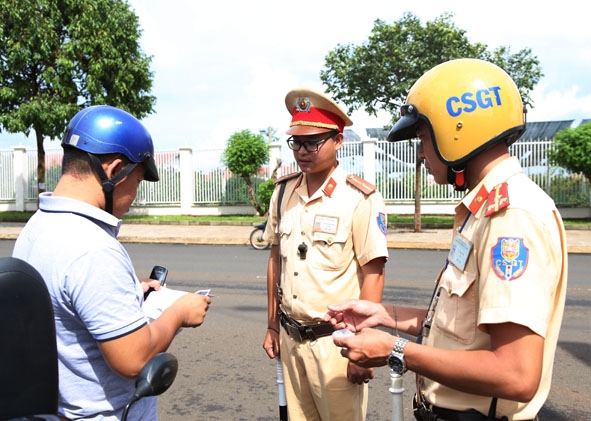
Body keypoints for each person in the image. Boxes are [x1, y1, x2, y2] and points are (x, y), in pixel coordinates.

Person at [325, 58, 568, 421]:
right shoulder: (484, 207)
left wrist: (397, 351)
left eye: (423, 137)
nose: (421, 153)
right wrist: (385, 315)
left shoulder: (511, 216)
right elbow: (465, 327)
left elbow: (516, 374)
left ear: (459, 131)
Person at [12, 105, 211, 420]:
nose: (135, 196)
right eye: (138, 181)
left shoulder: (38, 226)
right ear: (115, 169)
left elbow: (65, 301)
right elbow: (132, 359)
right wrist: (179, 313)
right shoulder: (91, 248)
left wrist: (131, 290)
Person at [262, 88, 389, 420]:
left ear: (338, 141)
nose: (302, 151)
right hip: (291, 339)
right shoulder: (282, 192)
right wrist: (273, 326)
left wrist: (362, 347)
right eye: (296, 143)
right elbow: (276, 259)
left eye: (313, 142)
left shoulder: (360, 198)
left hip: (336, 343)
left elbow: (373, 272)